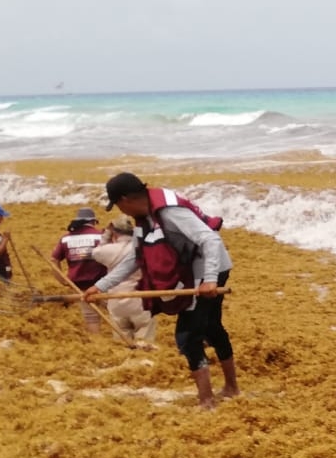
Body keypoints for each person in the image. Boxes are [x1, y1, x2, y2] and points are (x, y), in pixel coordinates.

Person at [85, 172, 237, 408]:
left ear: (125, 200)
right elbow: (135, 258)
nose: (122, 212)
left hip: (209, 268)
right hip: (201, 270)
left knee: (188, 336)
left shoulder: (169, 211)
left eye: (118, 205)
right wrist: (100, 286)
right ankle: (231, 389)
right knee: (211, 327)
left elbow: (210, 240)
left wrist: (209, 280)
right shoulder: (144, 218)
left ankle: (207, 401)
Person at [90, 216, 157, 346]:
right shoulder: (140, 248)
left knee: (122, 342)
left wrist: (106, 235)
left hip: (116, 299)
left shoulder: (107, 250)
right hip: (140, 298)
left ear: (114, 232)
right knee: (144, 339)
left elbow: (96, 252)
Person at [51, 206, 106, 333]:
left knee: (91, 317)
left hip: (79, 284)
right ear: (93, 222)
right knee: (116, 312)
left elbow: (54, 260)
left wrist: (62, 280)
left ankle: (97, 343)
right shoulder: (101, 236)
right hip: (102, 282)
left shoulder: (65, 238)